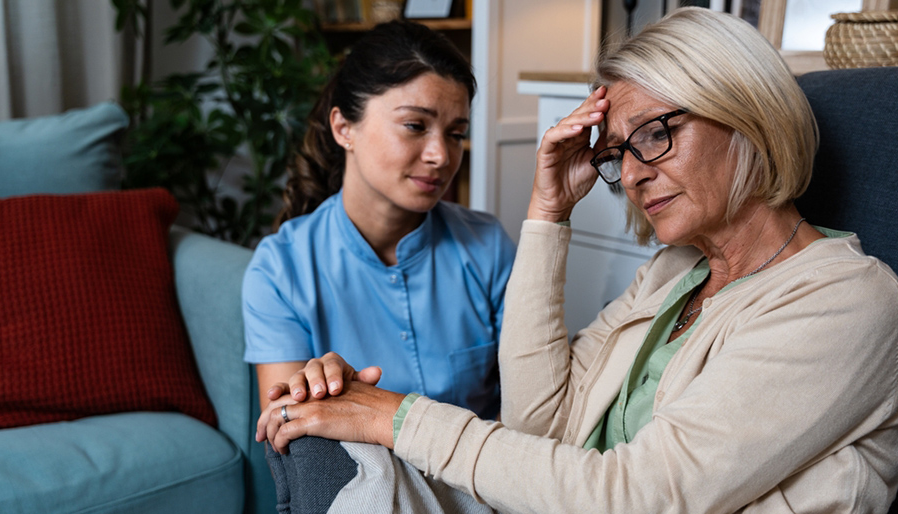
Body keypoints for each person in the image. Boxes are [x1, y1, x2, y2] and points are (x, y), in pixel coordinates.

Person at [260, 8, 898, 513]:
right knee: (327, 434)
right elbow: (537, 423)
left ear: (745, 115)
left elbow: (637, 496)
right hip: (552, 496)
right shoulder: (675, 272)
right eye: (621, 151)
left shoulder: (848, 300)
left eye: (656, 132)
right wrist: (549, 211)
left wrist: (399, 418)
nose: (636, 173)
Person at [241, 20, 515, 512]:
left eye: (455, 134)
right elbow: (287, 439)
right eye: (415, 125)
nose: (441, 155)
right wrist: (316, 390)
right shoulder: (280, 269)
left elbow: (534, 410)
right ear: (344, 126)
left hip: (483, 486)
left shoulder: (488, 246)